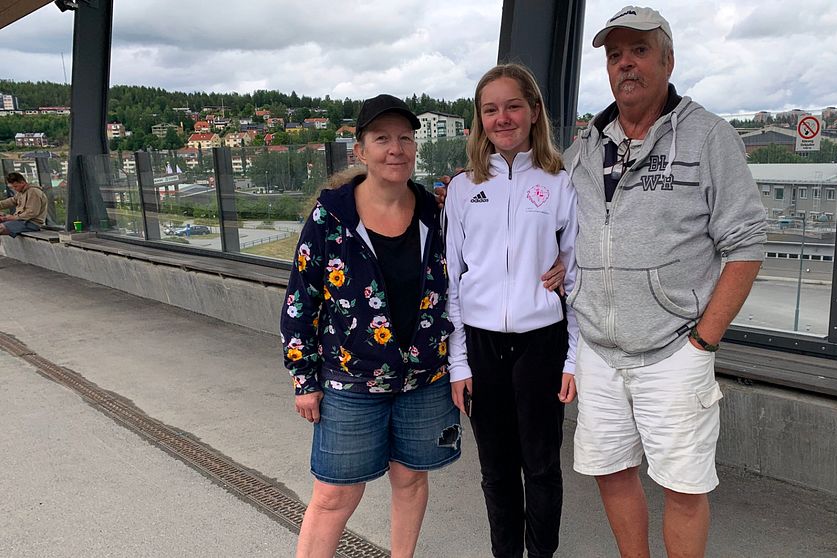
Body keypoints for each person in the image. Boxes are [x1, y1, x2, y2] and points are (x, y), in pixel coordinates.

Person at [564, 6, 767, 558]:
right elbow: (556, 224)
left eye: (638, 51)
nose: (625, 64)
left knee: (683, 485)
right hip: (600, 353)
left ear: (668, 59)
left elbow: (746, 245)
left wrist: (703, 341)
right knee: (611, 472)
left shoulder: (707, 138)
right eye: (614, 55)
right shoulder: (585, 148)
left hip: (674, 349)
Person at [281, 94, 460, 558]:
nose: (396, 148)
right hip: (350, 382)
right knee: (334, 496)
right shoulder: (331, 217)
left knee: (410, 479)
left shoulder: (434, 213)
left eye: (405, 138)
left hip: (423, 379)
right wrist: (305, 378)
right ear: (360, 150)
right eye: (382, 139)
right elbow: (301, 299)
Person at [445, 63, 578, 558]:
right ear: (481, 120)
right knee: (496, 470)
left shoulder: (561, 183)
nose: (503, 118)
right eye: (491, 109)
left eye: (513, 106)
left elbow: (578, 274)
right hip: (481, 346)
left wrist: (572, 359)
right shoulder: (462, 189)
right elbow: (451, 282)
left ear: (534, 111)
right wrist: (459, 363)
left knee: (541, 467)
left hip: (542, 343)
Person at [0, 172, 49, 237]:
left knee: (1, 228)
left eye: (15, 186)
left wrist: (13, 218)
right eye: (12, 187)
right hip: (22, 221)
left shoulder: (33, 192)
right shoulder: (21, 192)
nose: (14, 189)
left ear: (22, 182)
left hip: (31, 223)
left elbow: (32, 212)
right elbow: (11, 201)